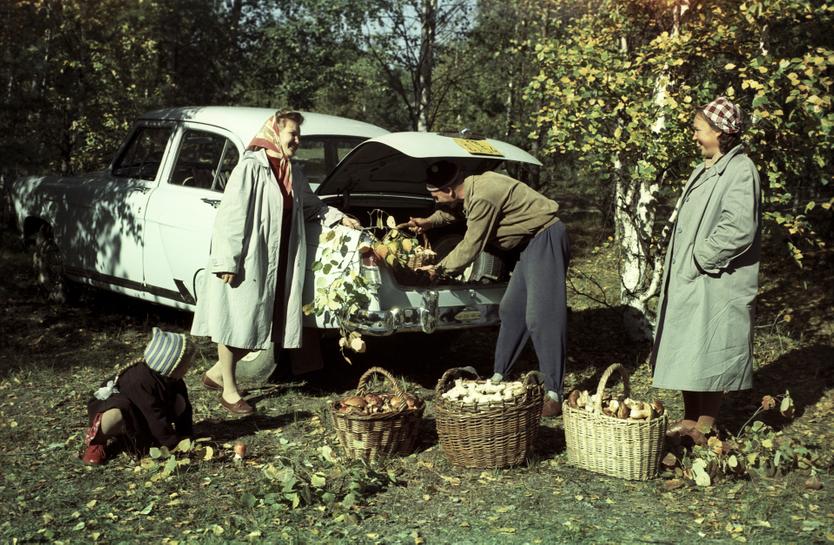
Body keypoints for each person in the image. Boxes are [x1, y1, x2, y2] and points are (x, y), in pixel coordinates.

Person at [190, 110, 360, 416]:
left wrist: (339, 217)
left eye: (299, 135)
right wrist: (227, 260)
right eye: (292, 134)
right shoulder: (251, 167)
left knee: (263, 324)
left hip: (280, 259)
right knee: (237, 322)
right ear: (274, 132)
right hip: (250, 257)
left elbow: (312, 206)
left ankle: (216, 374)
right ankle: (229, 391)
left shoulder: (292, 171)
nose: (297, 140)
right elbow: (231, 215)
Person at [409, 161, 570, 417]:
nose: (435, 200)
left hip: (545, 237)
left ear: (449, 190)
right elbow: (456, 212)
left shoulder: (483, 196)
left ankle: (554, 392)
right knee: (512, 310)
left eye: (435, 195)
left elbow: (471, 245)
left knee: (542, 317)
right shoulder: (471, 190)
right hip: (529, 245)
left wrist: (437, 270)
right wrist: (429, 222)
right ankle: (499, 375)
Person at [651, 97, 761, 445]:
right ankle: (689, 418)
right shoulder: (707, 167)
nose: (694, 136)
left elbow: (739, 228)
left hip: (715, 278)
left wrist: (701, 258)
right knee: (689, 345)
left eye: (699, 130)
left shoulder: (741, 170)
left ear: (720, 133)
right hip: (692, 276)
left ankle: (706, 424)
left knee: (711, 349)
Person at [82, 327, 195, 465]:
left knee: (180, 402)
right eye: (186, 365)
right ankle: (98, 441)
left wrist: (186, 435)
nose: (189, 368)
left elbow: (185, 409)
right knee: (115, 415)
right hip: (124, 411)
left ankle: (146, 437)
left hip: (141, 413)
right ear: (171, 365)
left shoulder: (174, 379)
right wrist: (173, 445)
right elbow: (154, 416)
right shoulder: (140, 380)